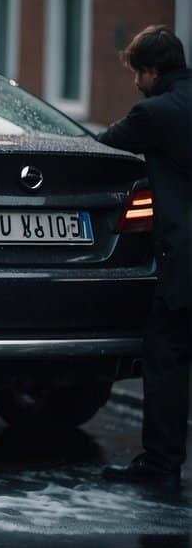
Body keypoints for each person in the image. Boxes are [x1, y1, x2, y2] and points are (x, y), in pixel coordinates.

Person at [98, 25, 191, 489]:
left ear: (153, 71)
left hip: (185, 264)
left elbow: (107, 142)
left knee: (166, 357)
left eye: (139, 73)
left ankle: (161, 466)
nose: (136, 83)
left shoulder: (156, 113)